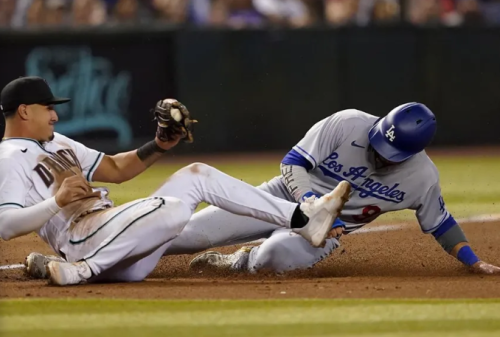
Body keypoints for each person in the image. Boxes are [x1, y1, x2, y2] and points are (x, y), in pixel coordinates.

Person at [0, 76, 351, 286]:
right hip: (81, 238)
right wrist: (55, 203)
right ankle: (82, 271)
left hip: (116, 237)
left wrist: (159, 145)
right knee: (171, 208)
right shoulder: (9, 156)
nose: (55, 114)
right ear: (24, 111)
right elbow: (6, 225)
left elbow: (117, 169)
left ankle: (304, 219)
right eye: (47, 108)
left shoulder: (57, 142)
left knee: (198, 174)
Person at [157, 102, 499, 275]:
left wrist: (473, 260)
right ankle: (112, 252)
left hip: (325, 232)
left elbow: (441, 223)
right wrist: (310, 202)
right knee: (185, 234)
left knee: (278, 255)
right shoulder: (348, 123)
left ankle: (238, 262)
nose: (379, 153)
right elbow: (292, 163)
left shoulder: (421, 177)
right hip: (280, 197)